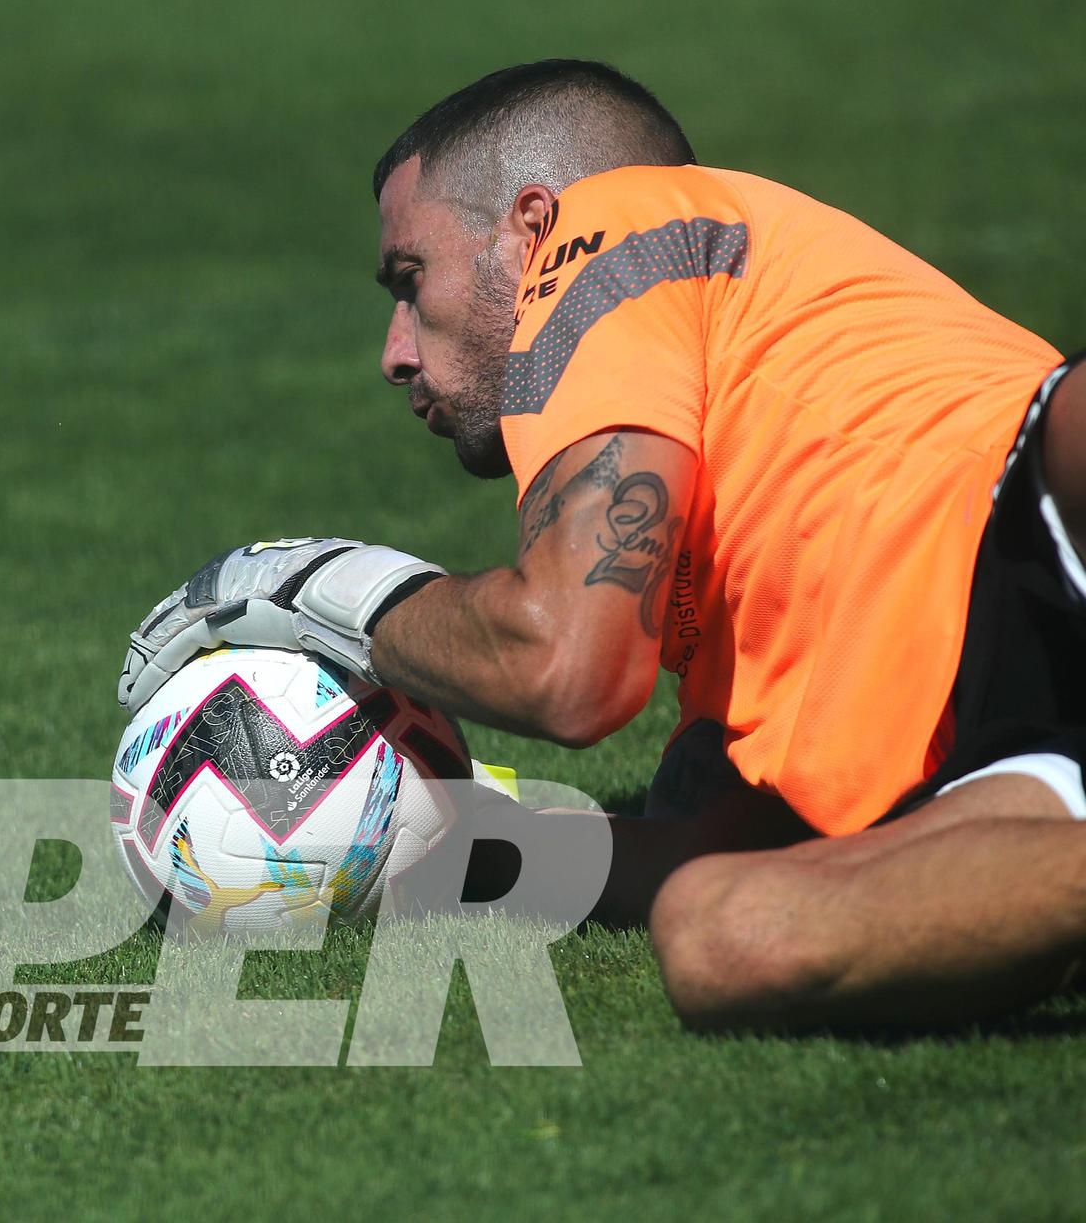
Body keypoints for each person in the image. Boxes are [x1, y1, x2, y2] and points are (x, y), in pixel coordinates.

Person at [116, 60, 1086, 1031]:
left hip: (1043, 502)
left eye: (410, 281)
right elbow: (715, 841)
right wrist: (449, 848)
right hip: (1017, 737)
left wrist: (305, 584)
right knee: (724, 940)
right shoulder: (733, 573)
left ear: (531, 230)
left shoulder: (611, 229)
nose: (393, 351)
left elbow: (565, 671)